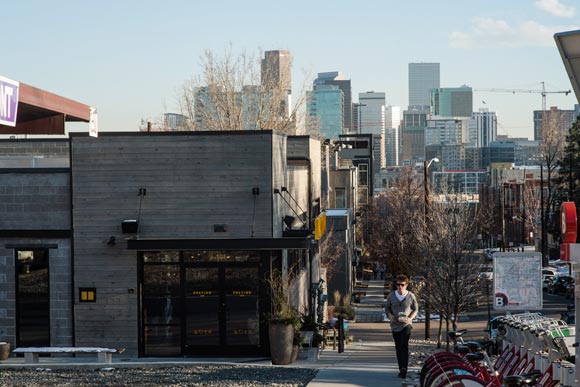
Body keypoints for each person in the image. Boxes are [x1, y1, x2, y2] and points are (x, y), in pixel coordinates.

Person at [385, 274, 418, 379]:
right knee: (398, 347)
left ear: (406, 285)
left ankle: (404, 369)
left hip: (406, 325)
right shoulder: (391, 296)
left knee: (404, 345)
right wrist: (390, 316)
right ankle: (401, 368)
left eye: (402, 285)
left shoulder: (411, 296)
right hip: (395, 325)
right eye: (398, 284)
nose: (400, 287)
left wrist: (410, 318)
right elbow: (387, 309)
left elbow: (416, 309)